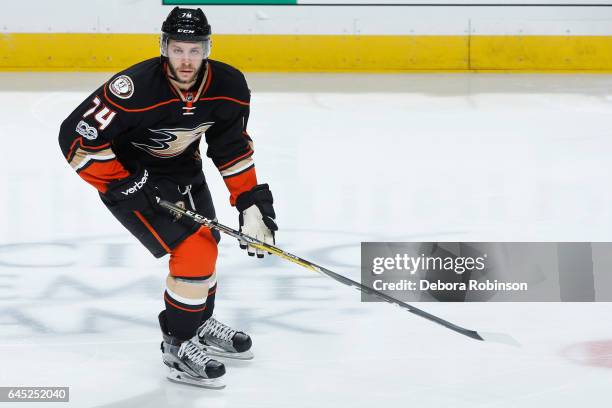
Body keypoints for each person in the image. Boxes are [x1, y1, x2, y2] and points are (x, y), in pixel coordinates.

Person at [58, 6, 277, 389]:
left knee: (208, 242)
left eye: (195, 50)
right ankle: (177, 345)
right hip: (129, 178)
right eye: (178, 50)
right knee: (193, 248)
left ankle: (198, 323)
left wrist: (250, 202)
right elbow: (77, 140)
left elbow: (231, 147)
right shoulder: (134, 88)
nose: (187, 60)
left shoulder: (229, 85)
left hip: (183, 169)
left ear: (207, 48)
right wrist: (129, 184)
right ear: (165, 48)